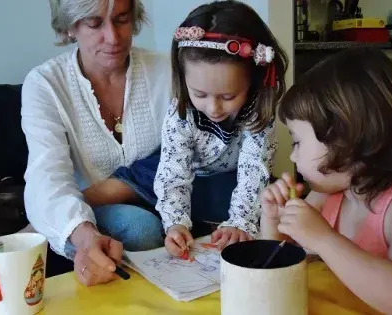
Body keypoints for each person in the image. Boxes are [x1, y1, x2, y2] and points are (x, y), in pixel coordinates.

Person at [84, 0, 288, 256]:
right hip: (176, 163)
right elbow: (173, 175)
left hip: (223, 175)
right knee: (133, 182)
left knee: (268, 200)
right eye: (200, 94)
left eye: (227, 97)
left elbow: (253, 171)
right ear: (184, 79)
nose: (213, 109)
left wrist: (239, 222)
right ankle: (64, 207)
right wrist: (176, 223)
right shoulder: (181, 114)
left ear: (255, 80)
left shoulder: (259, 112)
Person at [21, 0, 171, 286]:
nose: (113, 38)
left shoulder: (167, 71)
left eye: (122, 19)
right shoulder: (45, 84)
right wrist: (84, 234)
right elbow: (47, 175)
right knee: (139, 228)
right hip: (87, 213)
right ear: (70, 27)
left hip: (168, 201)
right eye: (94, 23)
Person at [260, 47, 392, 314]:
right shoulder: (327, 195)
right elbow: (282, 264)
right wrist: (275, 222)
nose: (292, 156)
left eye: (297, 142)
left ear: (347, 139)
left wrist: (324, 239)